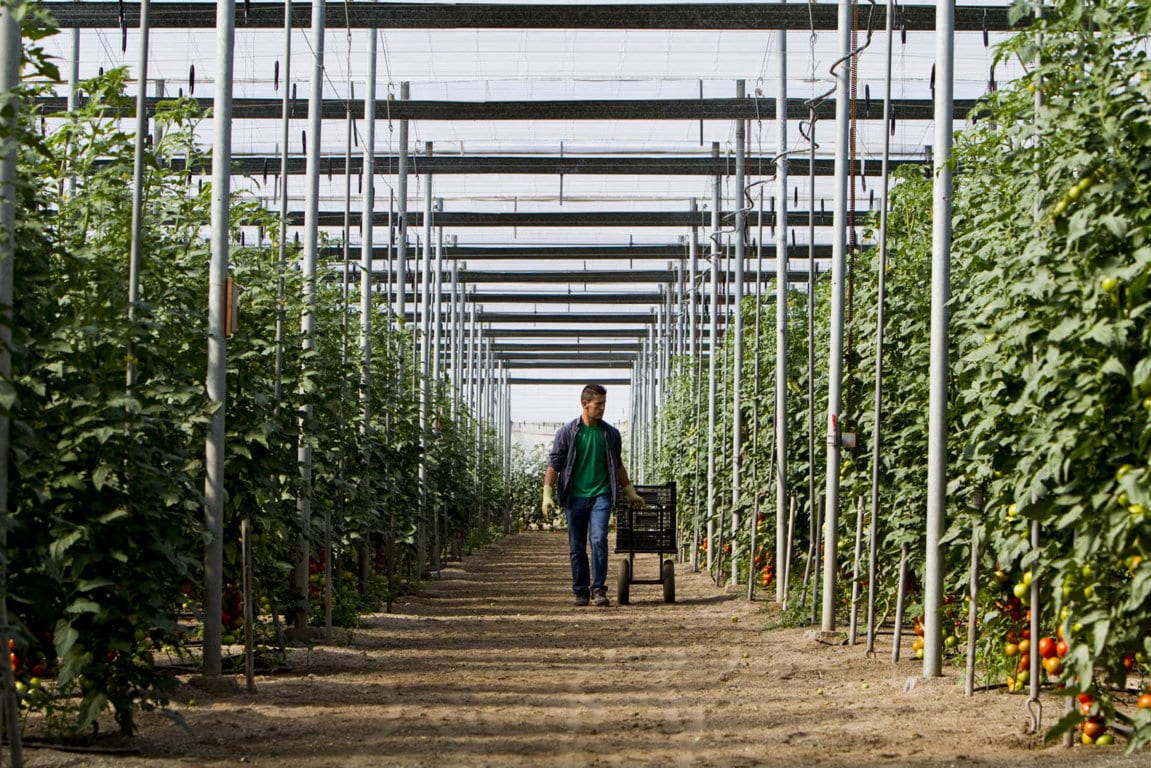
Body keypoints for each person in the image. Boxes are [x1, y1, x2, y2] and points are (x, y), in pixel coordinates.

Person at [542, 384, 644, 607]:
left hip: (601, 495)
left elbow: (617, 466)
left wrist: (630, 492)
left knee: (598, 539)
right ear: (584, 404)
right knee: (577, 545)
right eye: (598, 405)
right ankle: (580, 591)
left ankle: (598, 589)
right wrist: (547, 493)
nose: (602, 409)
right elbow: (554, 464)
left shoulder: (610, 434)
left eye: (604, 404)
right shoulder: (568, 433)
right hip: (574, 497)